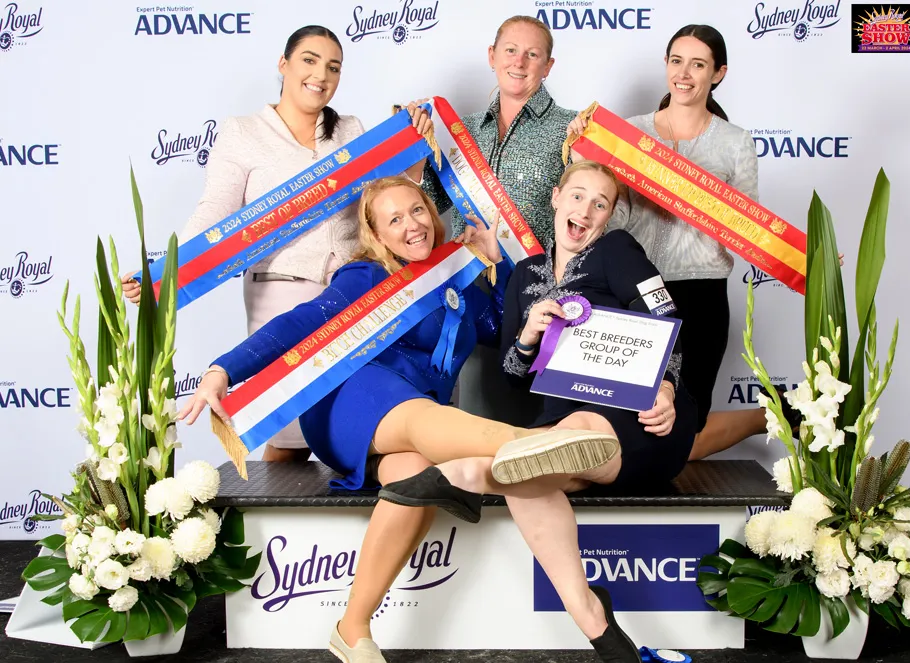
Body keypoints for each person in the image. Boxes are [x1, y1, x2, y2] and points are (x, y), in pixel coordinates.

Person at [178, 175, 620, 663]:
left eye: (417, 211)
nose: (413, 225)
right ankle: (526, 443)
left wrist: (497, 262)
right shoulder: (363, 276)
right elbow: (296, 324)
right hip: (354, 397)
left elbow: (500, 327)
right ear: (377, 235)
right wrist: (224, 369)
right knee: (416, 417)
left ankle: (352, 628)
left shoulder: (456, 276)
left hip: (418, 415)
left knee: (413, 478)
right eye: (395, 219)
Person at [378, 161, 697, 663]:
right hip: (557, 428)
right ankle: (594, 618)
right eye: (577, 196)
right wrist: (528, 335)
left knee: (553, 445)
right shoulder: (524, 274)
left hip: (637, 419)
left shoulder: (616, 251)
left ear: (610, 215)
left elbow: (666, 317)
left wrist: (669, 387)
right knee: (529, 472)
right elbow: (510, 371)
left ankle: (463, 474)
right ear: (555, 198)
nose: (585, 210)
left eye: (601, 203)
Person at [123, 26, 431, 462]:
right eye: (309, 60)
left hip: (355, 292)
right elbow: (215, 213)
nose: (320, 74)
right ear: (284, 65)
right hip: (280, 290)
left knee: (358, 422)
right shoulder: (243, 132)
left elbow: (388, 203)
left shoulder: (352, 130)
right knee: (287, 434)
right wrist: (163, 275)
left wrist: (413, 143)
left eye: (333, 67)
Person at [567, 24, 805, 459]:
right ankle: (763, 415)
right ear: (666, 66)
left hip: (701, 294)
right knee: (625, 427)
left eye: (698, 64)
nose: (685, 73)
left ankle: (764, 416)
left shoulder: (736, 143)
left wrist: (810, 259)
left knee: (682, 436)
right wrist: (586, 158)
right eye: (677, 61)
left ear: (718, 74)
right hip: (633, 293)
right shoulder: (627, 134)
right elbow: (613, 217)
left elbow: (749, 228)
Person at [404, 14, 578, 427]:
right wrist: (412, 148)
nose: (520, 62)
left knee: (536, 425)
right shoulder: (461, 133)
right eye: (511, 51)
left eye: (533, 54)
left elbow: (590, 211)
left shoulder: (571, 130)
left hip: (543, 291)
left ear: (548, 65)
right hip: (473, 289)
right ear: (492, 56)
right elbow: (424, 205)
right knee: (479, 416)